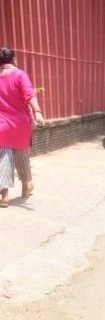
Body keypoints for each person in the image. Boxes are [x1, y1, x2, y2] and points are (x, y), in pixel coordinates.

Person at [0, 47, 44, 207]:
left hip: (2, 125)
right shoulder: (20, 74)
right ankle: (26, 185)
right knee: (22, 156)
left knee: (3, 158)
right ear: (13, 59)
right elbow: (29, 94)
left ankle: (4, 195)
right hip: (20, 125)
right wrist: (37, 111)